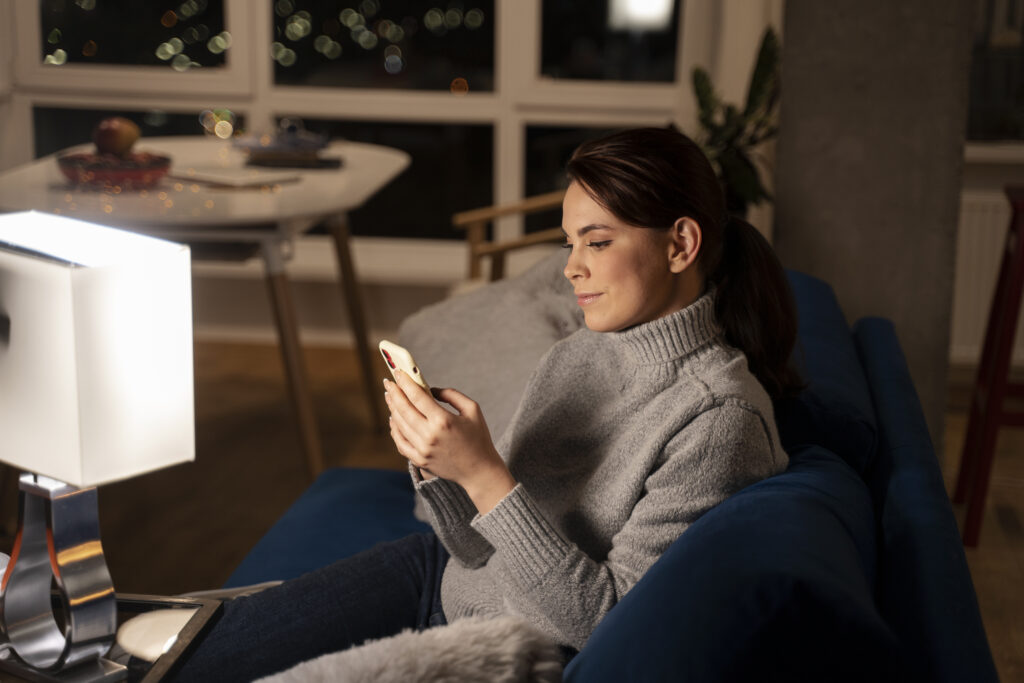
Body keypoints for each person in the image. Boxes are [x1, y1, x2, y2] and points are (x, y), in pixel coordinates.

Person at [172, 127, 801, 682]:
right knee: (190, 655)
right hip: (438, 575)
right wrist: (439, 464)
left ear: (680, 244)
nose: (571, 270)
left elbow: (607, 624)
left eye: (598, 242)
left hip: (504, 645)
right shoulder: (581, 353)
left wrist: (482, 473)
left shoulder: (719, 421)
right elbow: (475, 549)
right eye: (568, 244)